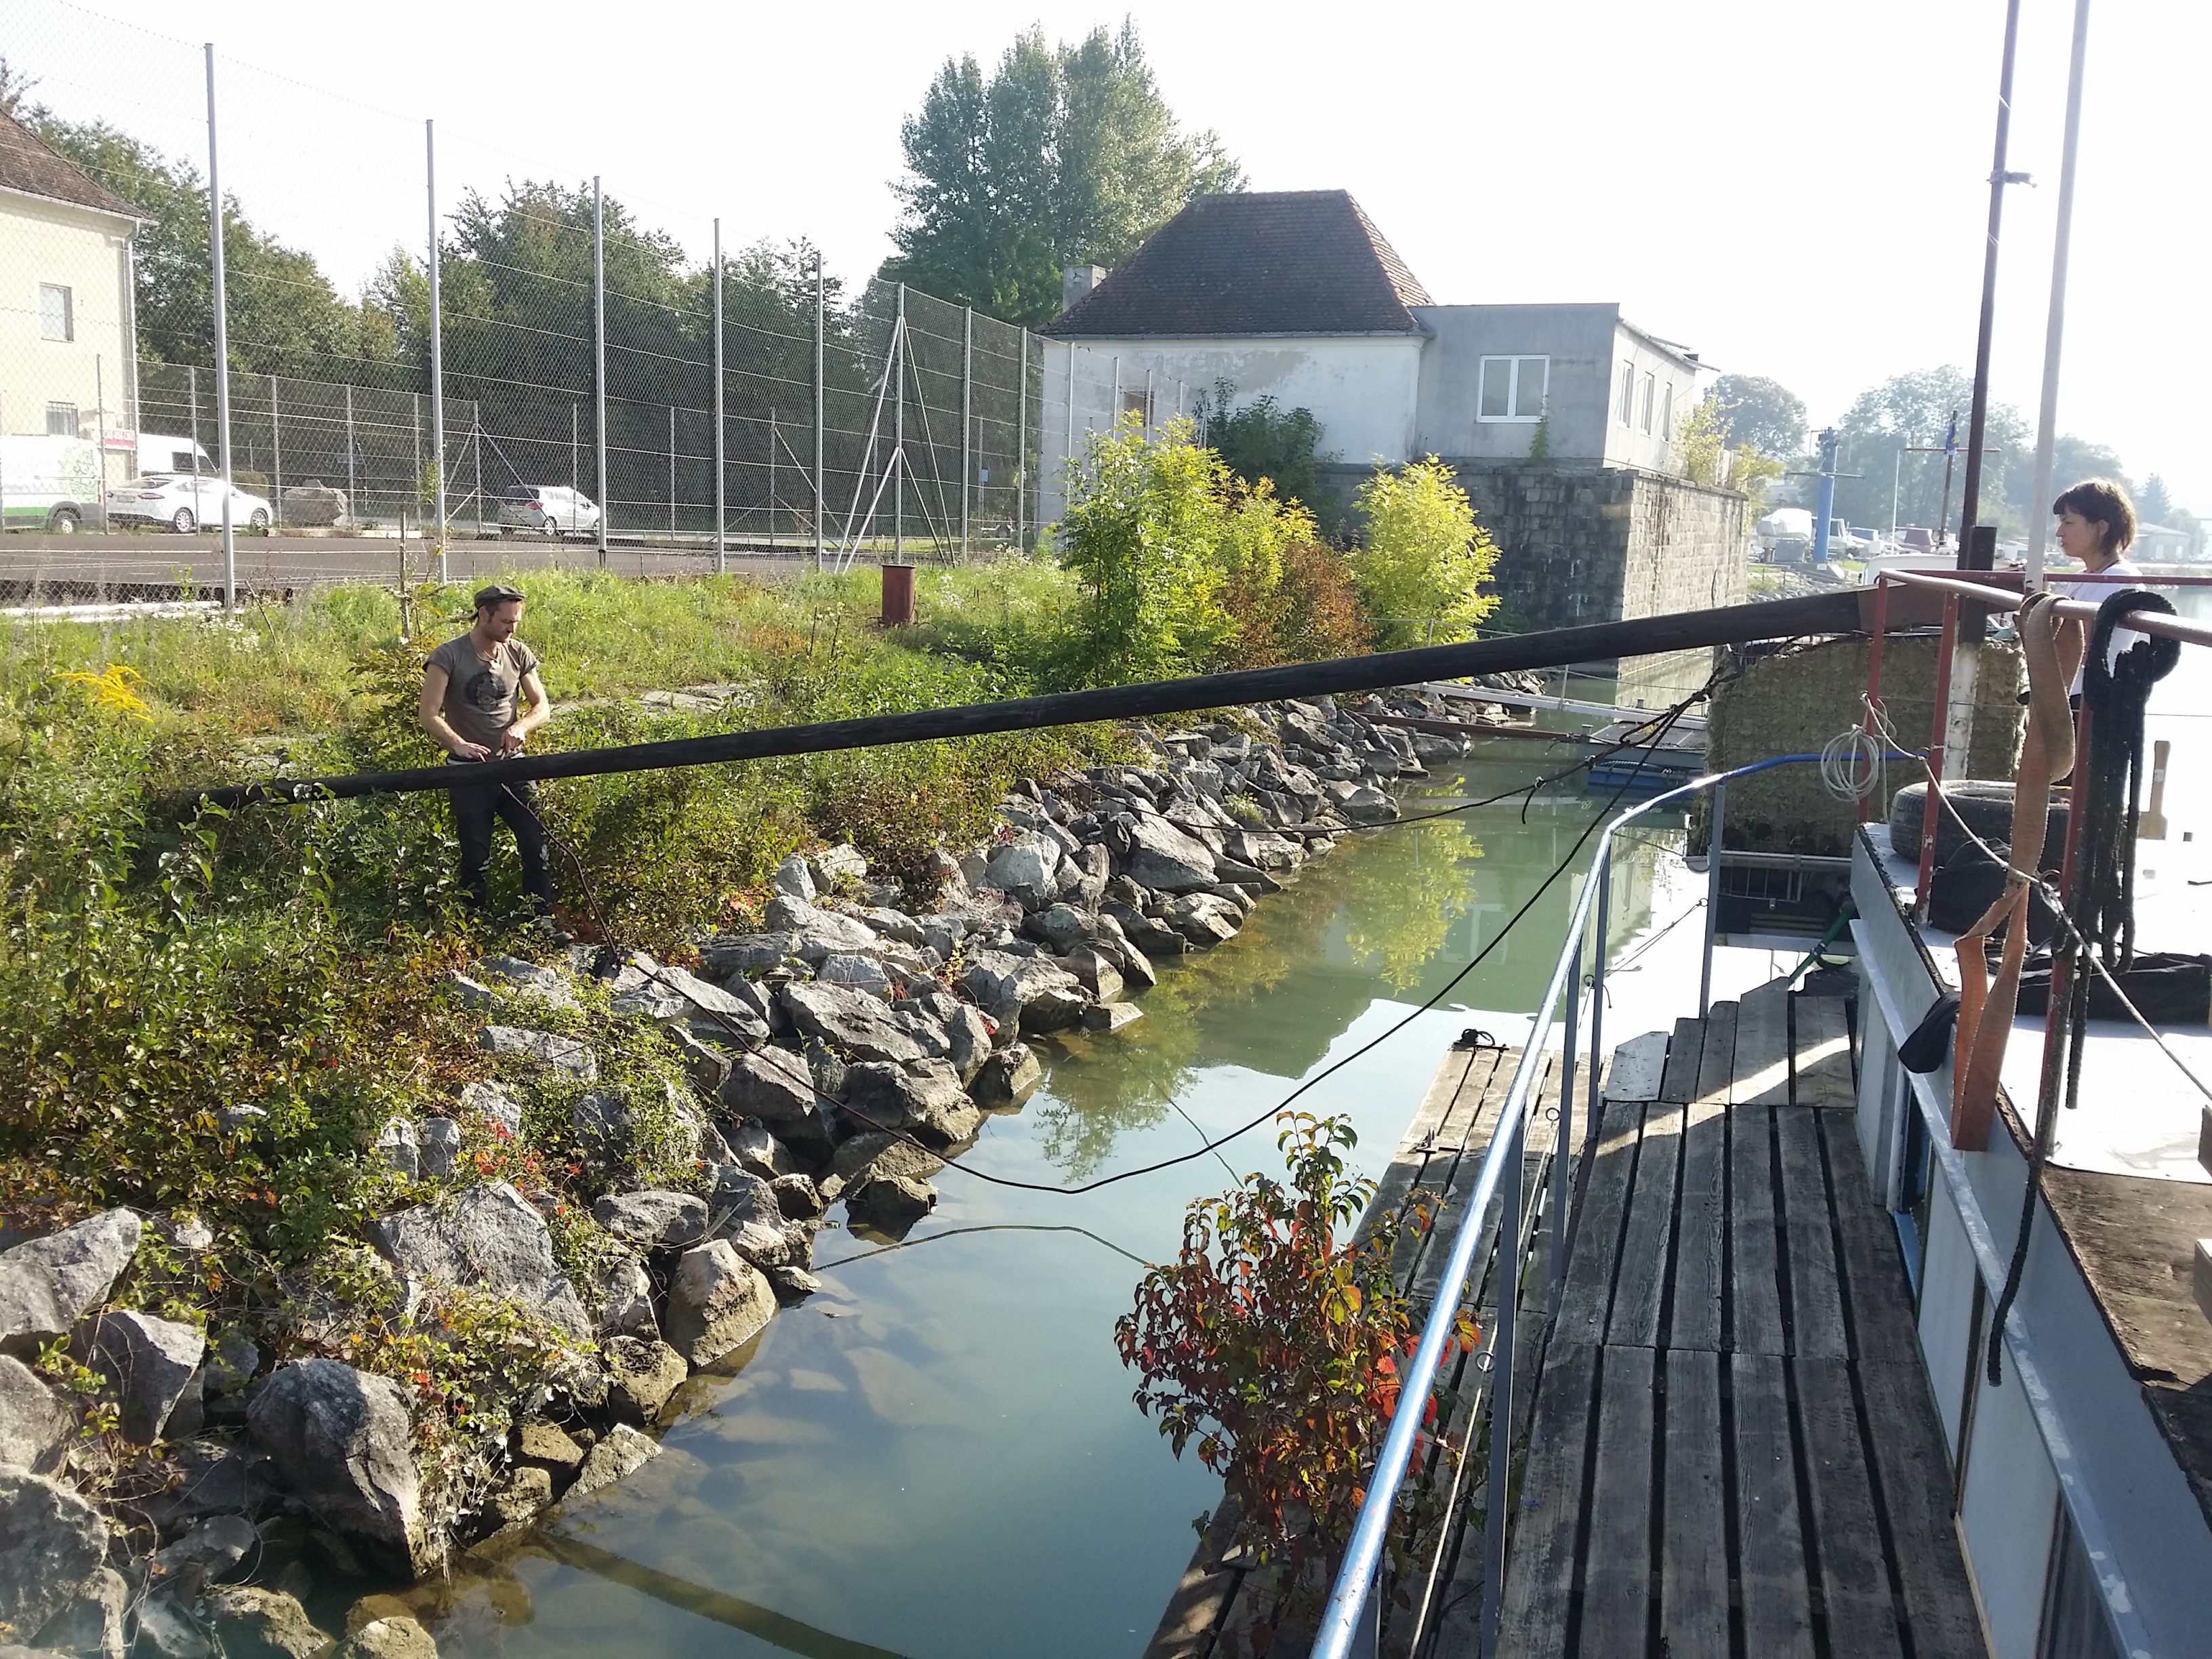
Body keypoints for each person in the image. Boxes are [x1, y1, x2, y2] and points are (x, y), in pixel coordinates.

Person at [419, 583, 556, 918]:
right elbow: (428, 714)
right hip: (468, 772)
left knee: (536, 846)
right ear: (483, 614)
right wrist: (458, 745)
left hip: (513, 767)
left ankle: (538, 919)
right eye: (506, 621)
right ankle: (474, 924)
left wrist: (520, 727)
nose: (512, 628)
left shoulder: (518, 653)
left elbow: (542, 706)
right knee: (475, 855)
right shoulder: (448, 656)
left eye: (516, 622)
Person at [2047, 477, 2144, 700]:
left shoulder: (2120, 579)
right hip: (2067, 692)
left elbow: (2078, 644)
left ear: (2101, 527)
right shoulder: (2083, 577)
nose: (2059, 532)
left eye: (2068, 523)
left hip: (2087, 699)